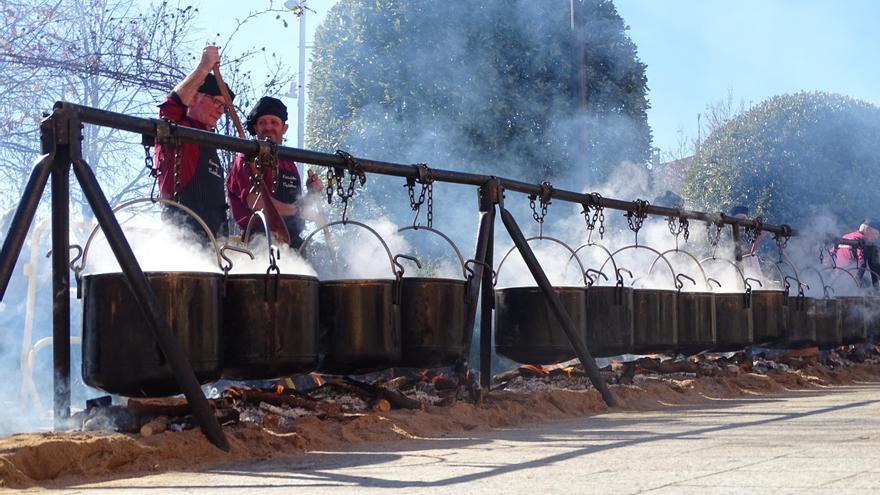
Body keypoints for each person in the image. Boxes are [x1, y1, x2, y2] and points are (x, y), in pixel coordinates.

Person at [154, 45, 231, 238]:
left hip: (215, 242)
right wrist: (203, 68)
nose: (221, 111)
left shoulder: (210, 140)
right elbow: (170, 107)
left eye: (224, 106)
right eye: (216, 102)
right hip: (183, 237)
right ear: (195, 97)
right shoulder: (178, 129)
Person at [226, 96, 323, 248]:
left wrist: (311, 194)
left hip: (294, 245)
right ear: (256, 128)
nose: (268, 127)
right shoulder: (247, 158)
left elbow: (297, 207)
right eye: (262, 122)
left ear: (284, 128)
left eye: (274, 122)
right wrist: (297, 210)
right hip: (260, 243)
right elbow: (256, 202)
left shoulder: (288, 162)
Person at [834, 220, 880, 288]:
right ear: (867, 229)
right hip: (851, 279)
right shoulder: (863, 240)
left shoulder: (845, 237)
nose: (876, 238)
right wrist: (856, 285)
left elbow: (831, 255)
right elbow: (863, 264)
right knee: (867, 283)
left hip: (837, 279)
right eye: (876, 234)